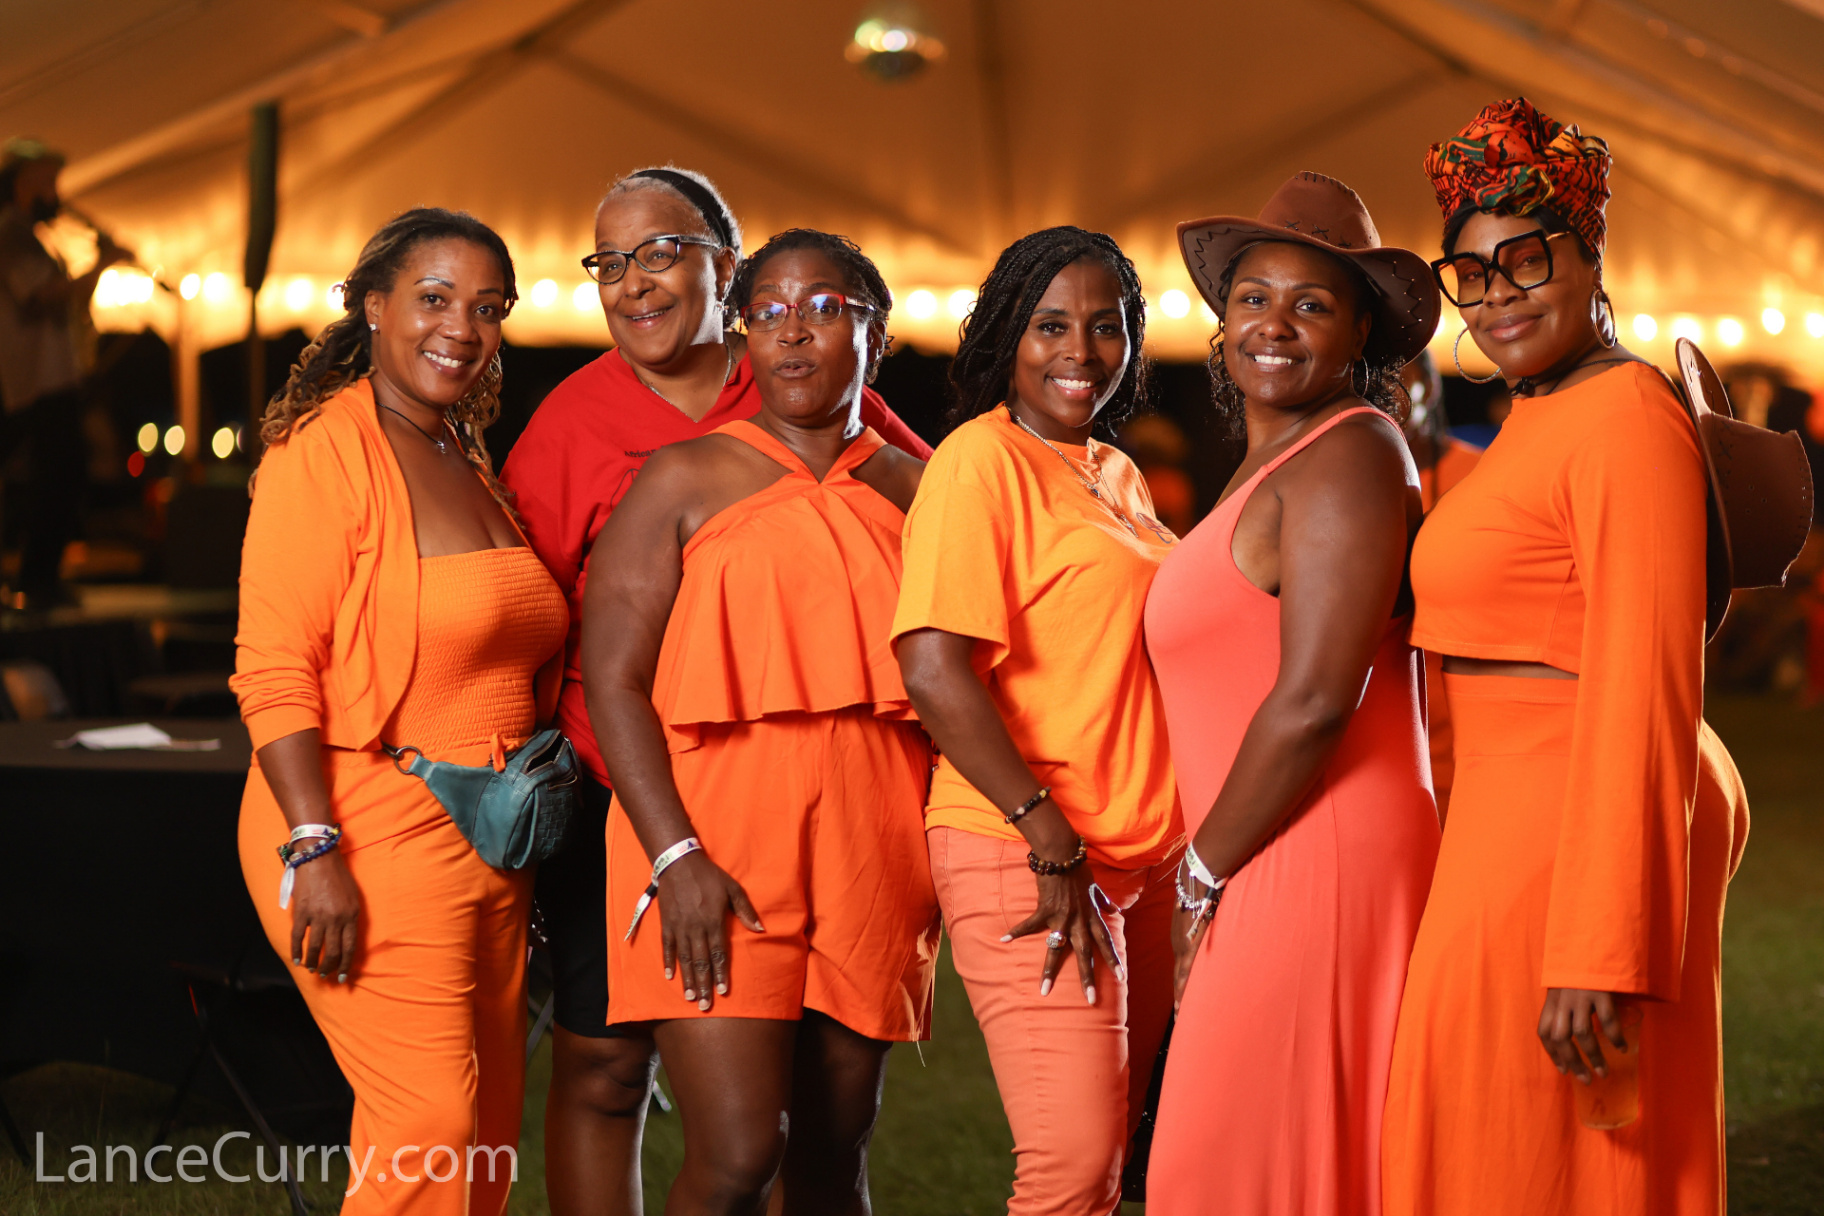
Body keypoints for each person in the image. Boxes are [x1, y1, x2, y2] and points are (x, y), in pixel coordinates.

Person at [497, 167, 929, 1216]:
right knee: (652, 1094)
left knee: (827, 1145)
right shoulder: (591, 433)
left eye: (659, 253)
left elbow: (961, 575)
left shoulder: (857, 427)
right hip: (646, 793)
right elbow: (547, 632)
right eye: (611, 262)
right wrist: (619, 832)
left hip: (860, 819)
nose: (634, 281)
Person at [1381, 98, 1751, 1216]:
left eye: (1526, 263)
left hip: (1562, 833)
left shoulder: (1628, 420)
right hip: (1507, 819)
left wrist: (1604, 945)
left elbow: (1647, 679)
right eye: (1474, 276)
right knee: (1490, 1138)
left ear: (1593, 258)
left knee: (1535, 1153)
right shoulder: (1542, 411)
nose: (1497, 297)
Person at [232, 208, 563, 1216]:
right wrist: (312, 843)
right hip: (364, 820)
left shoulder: (465, 455)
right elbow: (274, 667)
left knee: (488, 1131)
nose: (460, 326)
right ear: (373, 307)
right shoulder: (323, 455)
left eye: (487, 307)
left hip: (492, 831)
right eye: (433, 298)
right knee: (428, 1126)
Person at [1142, 172, 1443, 1215]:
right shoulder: (1271, 466)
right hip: (1269, 839)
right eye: (1252, 298)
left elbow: (1316, 696)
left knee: (1231, 1160)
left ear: (1361, 329)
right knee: (1246, 1158)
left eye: (1311, 303)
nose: (1273, 323)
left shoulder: (1353, 455)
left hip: (1311, 844)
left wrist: (1199, 873)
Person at [891, 226, 1182, 1212]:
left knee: (1108, 1162)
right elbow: (933, 668)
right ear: (1008, 335)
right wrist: (1047, 833)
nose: (1082, 350)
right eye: (1051, 325)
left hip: (1130, 858)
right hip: (1027, 843)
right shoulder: (980, 461)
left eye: (1107, 327)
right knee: (1069, 1159)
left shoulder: (1117, 474)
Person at [0, 138, 130, 607]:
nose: (56, 193)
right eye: (48, 183)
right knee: (60, 473)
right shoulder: (11, 234)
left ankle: (39, 578)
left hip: (45, 379)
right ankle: (37, 580)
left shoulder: (29, 237)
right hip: (30, 381)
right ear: (22, 185)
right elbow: (41, 298)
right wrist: (103, 265)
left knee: (61, 473)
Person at [1401, 349, 1483, 821]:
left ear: (1429, 388)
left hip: (1470, 738)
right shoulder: (1340, 482)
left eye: (1401, 376)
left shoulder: (1481, 476)